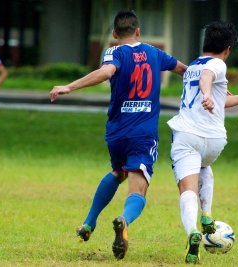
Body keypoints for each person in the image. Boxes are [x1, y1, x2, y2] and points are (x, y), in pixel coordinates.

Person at [50, 10, 186, 260]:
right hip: (143, 133)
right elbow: (183, 70)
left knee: (118, 171)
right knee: (138, 187)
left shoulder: (113, 52)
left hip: (116, 132)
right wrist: (213, 86)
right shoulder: (155, 53)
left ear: (114, 34)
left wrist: (70, 86)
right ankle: (123, 220)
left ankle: (88, 224)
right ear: (138, 31)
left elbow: (106, 72)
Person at [167, 21, 238, 264]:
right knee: (205, 167)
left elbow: (206, 78)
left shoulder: (196, 65)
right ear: (228, 49)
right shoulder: (218, 64)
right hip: (214, 142)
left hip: (188, 136)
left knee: (187, 189)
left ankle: (193, 231)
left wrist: (206, 94)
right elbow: (213, 87)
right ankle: (207, 215)